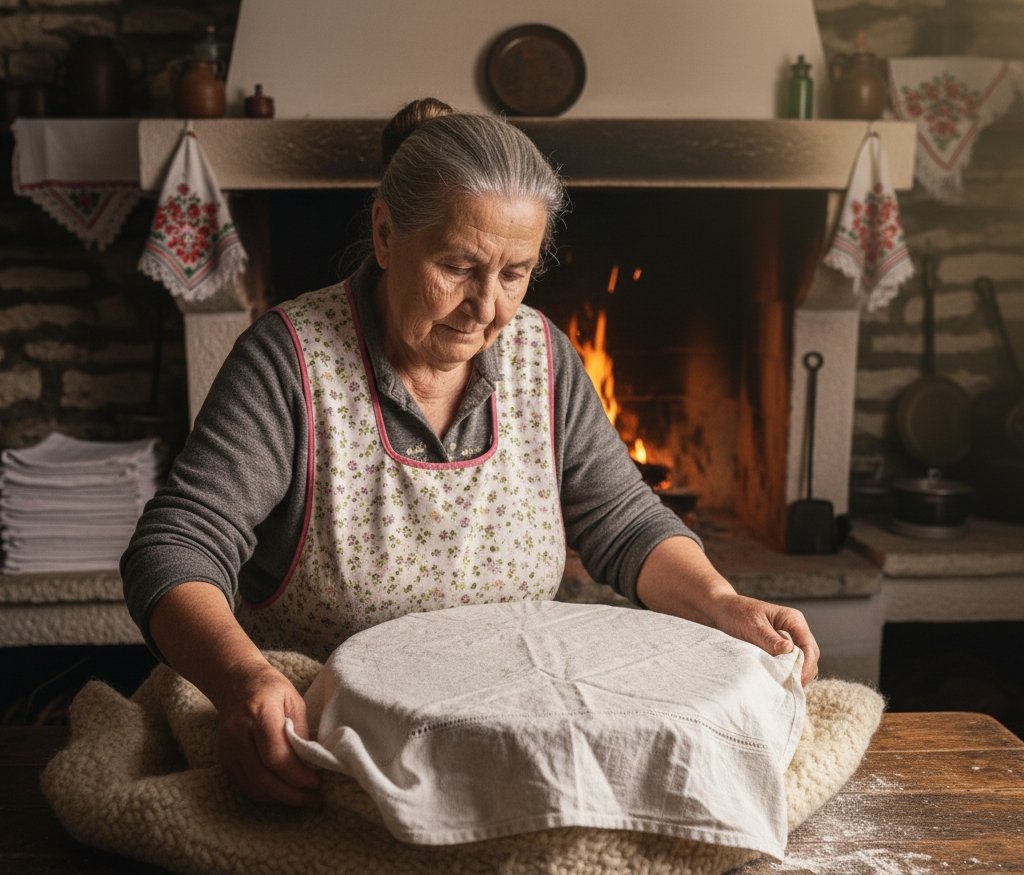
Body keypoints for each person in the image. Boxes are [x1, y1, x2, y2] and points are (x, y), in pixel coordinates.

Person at [121, 98, 819, 811]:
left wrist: (722, 602)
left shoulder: (540, 354)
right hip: (334, 743)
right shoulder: (290, 362)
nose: (487, 307)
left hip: (514, 735)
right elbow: (175, 548)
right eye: (457, 266)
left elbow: (624, 522)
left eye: (515, 274)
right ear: (386, 234)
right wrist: (244, 679)